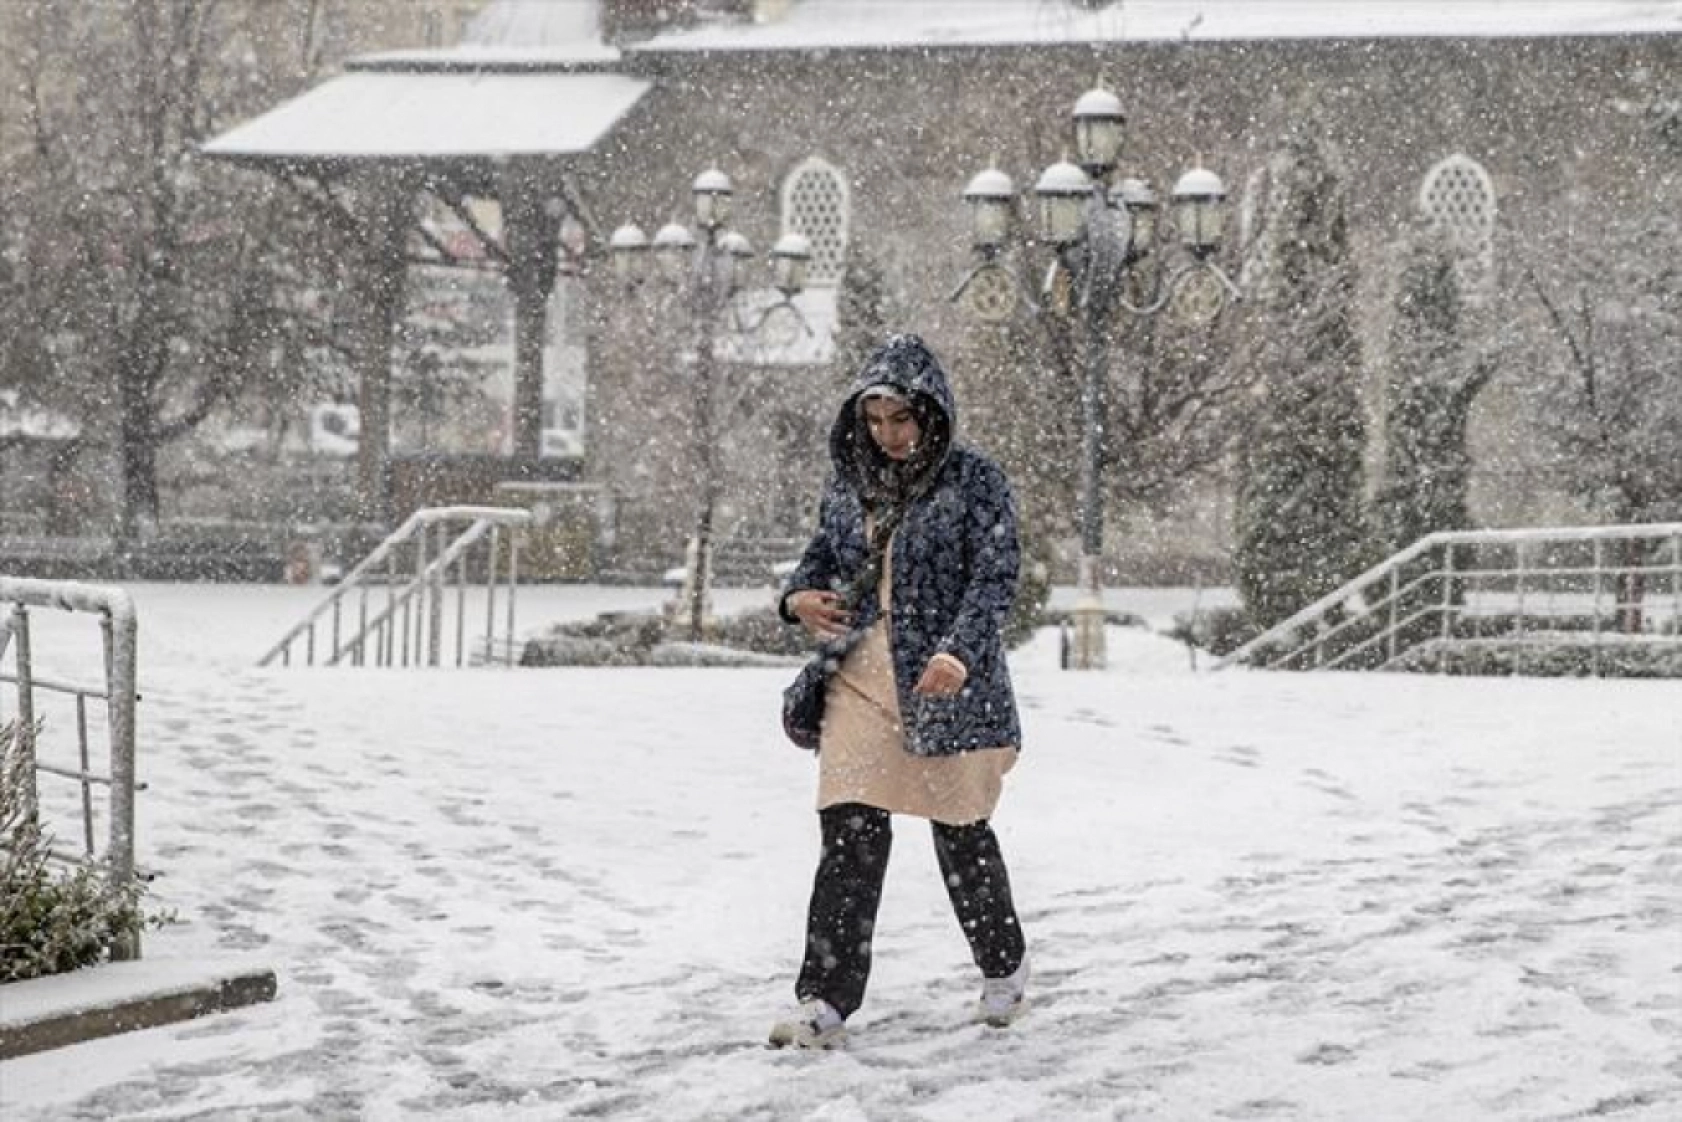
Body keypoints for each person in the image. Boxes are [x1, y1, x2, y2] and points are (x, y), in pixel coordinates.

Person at [769, 333, 1028, 1050]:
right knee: (849, 836)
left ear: (932, 414)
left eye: (901, 420)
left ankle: (1003, 963)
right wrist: (800, 601)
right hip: (857, 681)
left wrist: (958, 652)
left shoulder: (976, 482)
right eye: (875, 420)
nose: (888, 435)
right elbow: (819, 562)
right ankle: (825, 998)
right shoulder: (849, 481)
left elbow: (995, 579)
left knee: (960, 832)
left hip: (943, 685)